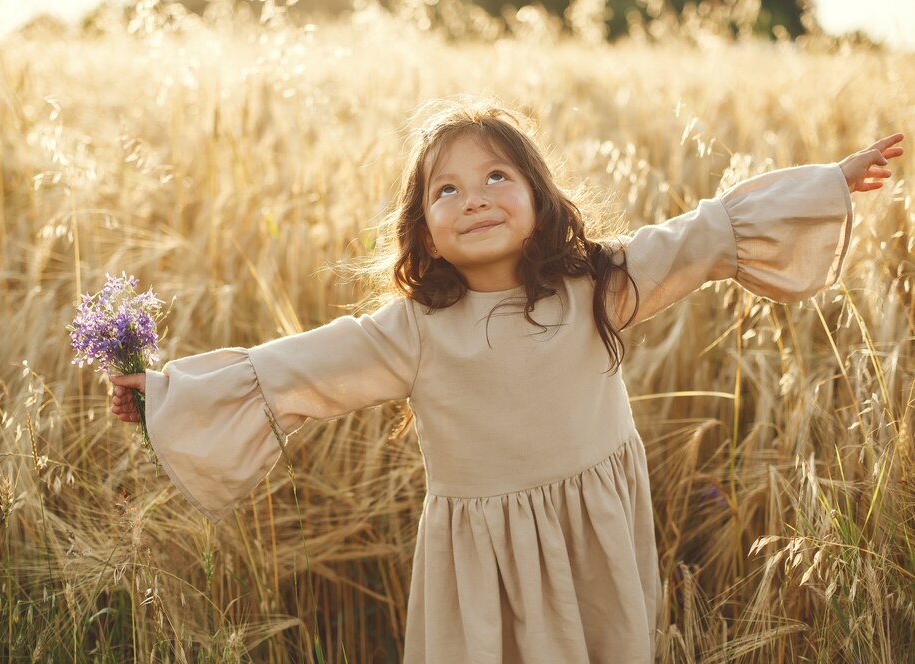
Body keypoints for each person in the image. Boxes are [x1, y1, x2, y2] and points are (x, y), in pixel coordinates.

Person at [109, 99, 903, 663]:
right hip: (481, 559)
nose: (474, 198)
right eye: (445, 190)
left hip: (593, 535)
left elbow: (701, 236)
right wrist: (166, 392)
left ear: (540, 199)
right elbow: (293, 369)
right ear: (422, 231)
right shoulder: (412, 330)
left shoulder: (599, 283)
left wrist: (827, 180)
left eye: (496, 177)